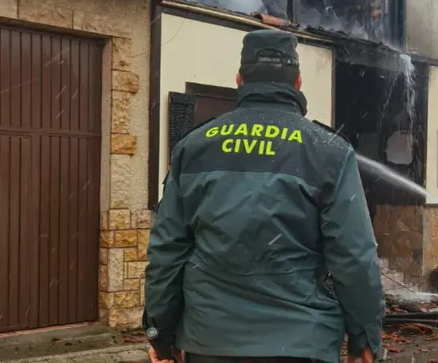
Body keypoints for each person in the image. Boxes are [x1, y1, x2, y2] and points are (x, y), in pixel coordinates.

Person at [142, 29, 385, 363]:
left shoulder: (194, 146)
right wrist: (365, 335)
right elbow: (354, 255)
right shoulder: (329, 151)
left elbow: (167, 251)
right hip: (301, 342)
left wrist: (160, 332)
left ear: (239, 80)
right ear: (298, 83)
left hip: (210, 342)